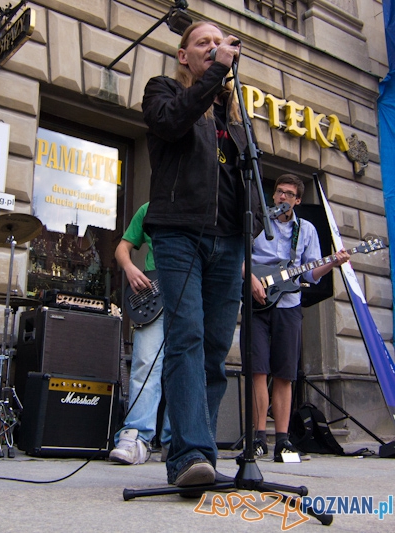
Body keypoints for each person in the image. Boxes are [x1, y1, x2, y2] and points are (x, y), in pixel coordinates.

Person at [141, 21, 264, 488]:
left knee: (215, 349)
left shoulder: (235, 114)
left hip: (228, 242)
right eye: (203, 43)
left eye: (219, 42)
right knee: (187, 338)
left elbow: (249, 178)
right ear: (183, 55)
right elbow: (172, 122)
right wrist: (215, 75)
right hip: (180, 235)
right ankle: (187, 454)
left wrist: (253, 226)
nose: (213, 48)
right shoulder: (164, 91)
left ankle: (202, 452)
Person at [242, 174, 349, 461]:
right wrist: (250, 280)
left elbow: (310, 274)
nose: (282, 197)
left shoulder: (307, 230)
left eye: (289, 194)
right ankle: (258, 438)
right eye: (279, 192)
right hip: (256, 302)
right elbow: (239, 257)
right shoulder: (258, 222)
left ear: (298, 200)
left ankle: (283, 440)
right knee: (257, 370)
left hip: (289, 305)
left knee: (285, 374)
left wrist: (332, 263)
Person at [110, 202, 170, 465]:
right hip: (155, 297)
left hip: (190, 294)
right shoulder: (149, 209)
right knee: (144, 364)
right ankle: (135, 437)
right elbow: (122, 248)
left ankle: (176, 442)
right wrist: (130, 268)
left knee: (185, 368)